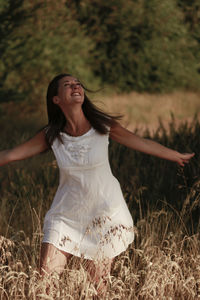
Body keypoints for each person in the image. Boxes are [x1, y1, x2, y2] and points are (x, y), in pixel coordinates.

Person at [0, 74, 194, 295]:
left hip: (105, 216)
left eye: (78, 83)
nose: (76, 86)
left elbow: (140, 142)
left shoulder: (102, 126)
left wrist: (175, 155)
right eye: (68, 85)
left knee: (98, 290)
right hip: (65, 216)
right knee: (43, 284)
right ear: (56, 99)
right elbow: (11, 154)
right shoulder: (51, 135)